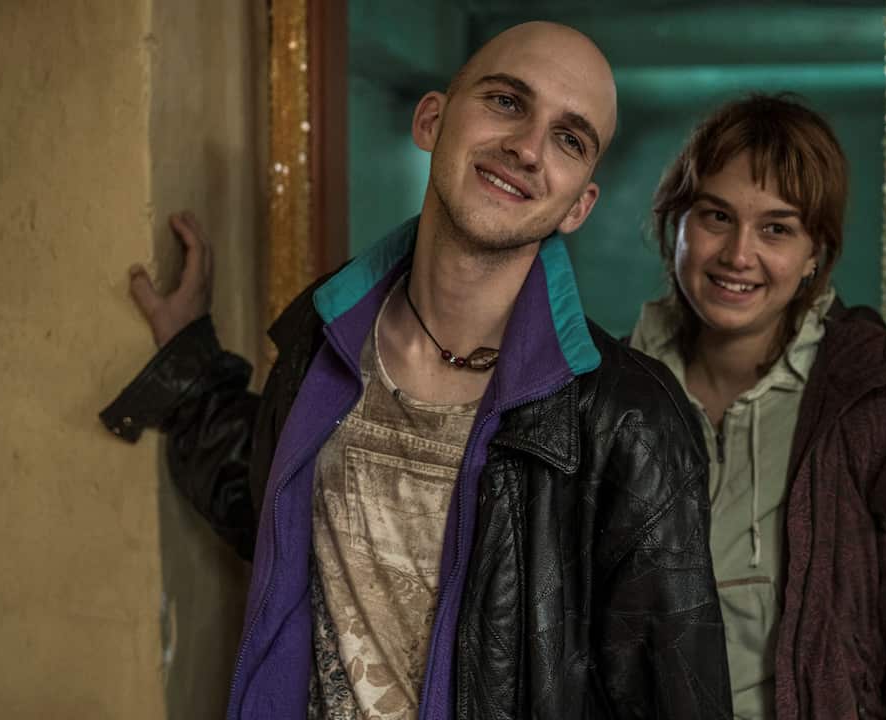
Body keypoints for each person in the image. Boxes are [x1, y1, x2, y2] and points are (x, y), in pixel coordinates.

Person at [101, 22, 732, 720]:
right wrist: (188, 362)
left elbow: (671, 696)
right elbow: (267, 509)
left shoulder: (633, 421)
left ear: (579, 203)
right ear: (432, 119)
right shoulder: (325, 333)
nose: (526, 148)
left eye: (569, 139)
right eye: (505, 101)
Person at [629, 94, 886, 719]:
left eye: (777, 228)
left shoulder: (880, 399)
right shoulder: (609, 395)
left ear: (813, 256)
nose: (738, 254)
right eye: (716, 216)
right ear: (678, 225)